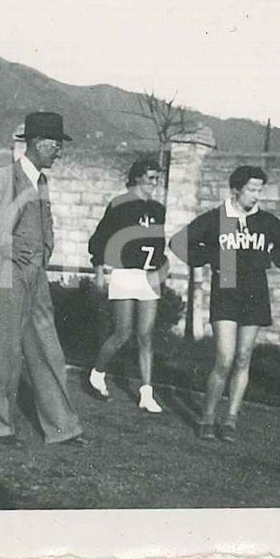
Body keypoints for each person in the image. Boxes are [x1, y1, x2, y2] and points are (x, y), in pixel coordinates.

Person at [0, 111, 88, 447]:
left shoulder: (42, 181)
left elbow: (45, 221)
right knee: (5, 350)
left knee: (49, 349)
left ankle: (62, 428)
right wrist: (7, 243)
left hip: (36, 274)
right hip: (11, 273)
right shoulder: (8, 176)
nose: (59, 151)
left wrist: (46, 250)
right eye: (55, 144)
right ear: (37, 142)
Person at [170, 166, 280, 442]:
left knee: (243, 358)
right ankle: (207, 417)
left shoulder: (265, 222)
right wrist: (210, 257)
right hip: (227, 287)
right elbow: (178, 243)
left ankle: (230, 419)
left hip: (255, 290)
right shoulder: (217, 219)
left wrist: (269, 259)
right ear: (236, 191)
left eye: (259, 190)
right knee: (224, 359)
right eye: (252, 190)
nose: (256, 196)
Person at [86, 158, 168, 413]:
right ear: (137, 178)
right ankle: (97, 373)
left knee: (145, 336)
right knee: (122, 333)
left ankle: (146, 393)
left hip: (149, 276)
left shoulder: (157, 209)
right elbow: (99, 239)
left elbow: (158, 244)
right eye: (151, 178)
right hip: (124, 273)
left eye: (157, 178)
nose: (154, 183)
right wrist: (99, 270)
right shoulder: (119, 205)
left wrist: (161, 270)